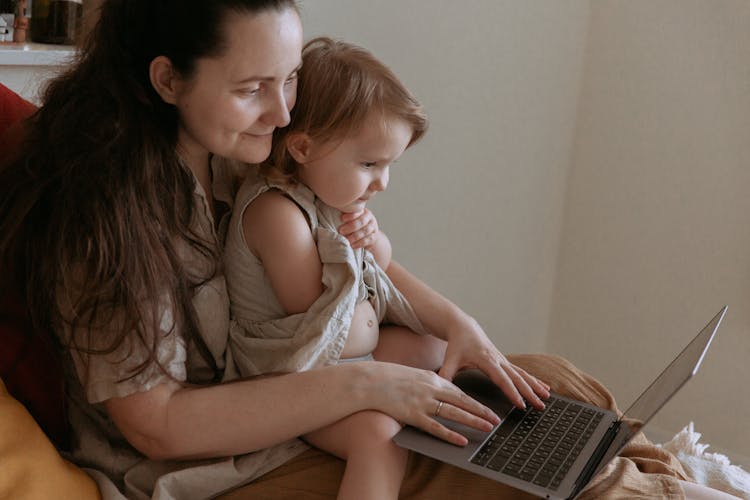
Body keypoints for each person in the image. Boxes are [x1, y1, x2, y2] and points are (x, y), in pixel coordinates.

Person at [0, 1, 737, 499]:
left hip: (308, 398)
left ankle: (654, 474)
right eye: (255, 87)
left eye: (289, 81)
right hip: (209, 469)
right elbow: (154, 422)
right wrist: (370, 385)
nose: (286, 112)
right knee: (478, 471)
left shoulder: (246, 154)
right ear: (167, 79)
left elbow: (353, 261)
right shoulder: (101, 216)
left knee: (550, 387)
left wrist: (455, 325)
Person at [224, 36, 540, 500]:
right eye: (370, 163)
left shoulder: (330, 199)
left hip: (345, 364)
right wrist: (360, 255)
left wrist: (373, 243)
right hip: (295, 379)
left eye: (389, 165)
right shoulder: (277, 215)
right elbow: (321, 314)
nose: (382, 182)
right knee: (380, 435)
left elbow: (379, 272)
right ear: (303, 148)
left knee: (437, 350)